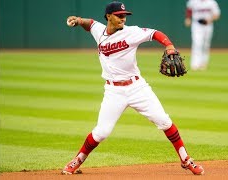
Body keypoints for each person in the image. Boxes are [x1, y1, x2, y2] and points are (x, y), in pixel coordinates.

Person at [62, 1, 204, 175]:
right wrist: (78, 19)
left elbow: (155, 33)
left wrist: (169, 45)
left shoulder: (132, 32)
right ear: (109, 17)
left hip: (137, 88)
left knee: (165, 121)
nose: (123, 18)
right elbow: (90, 24)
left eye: (124, 16)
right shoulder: (99, 30)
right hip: (114, 92)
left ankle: (185, 159)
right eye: (119, 15)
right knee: (101, 132)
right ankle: (78, 160)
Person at [184, 0, 221, 71]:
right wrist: (188, 18)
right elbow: (189, 9)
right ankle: (195, 64)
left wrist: (210, 19)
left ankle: (203, 63)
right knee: (197, 43)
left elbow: (217, 14)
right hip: (197, 24)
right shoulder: (193, 1)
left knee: (206, 45)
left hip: (208, 25)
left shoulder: (211, 2)